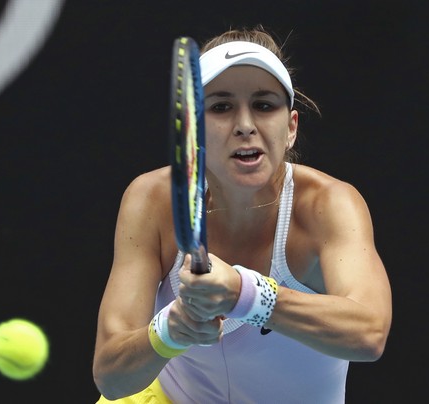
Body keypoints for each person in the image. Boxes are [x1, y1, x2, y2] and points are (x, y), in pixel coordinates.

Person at [93, 25, 392, 403]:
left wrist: (245, 293)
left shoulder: (329, 205)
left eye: (264, 105)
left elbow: (369, 333)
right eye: (221, 107)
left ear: (291, 129)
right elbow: (111, 377)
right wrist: (170, 330)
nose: (246, 125)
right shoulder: (152, 200)